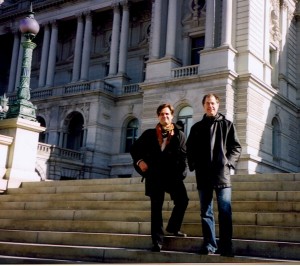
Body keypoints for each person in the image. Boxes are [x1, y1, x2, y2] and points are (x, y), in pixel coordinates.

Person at [186, 93, 242, 257]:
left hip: (222, 174)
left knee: (225, 212)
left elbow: (236, 147)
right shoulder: (196, 127)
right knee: (206, 212)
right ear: (203, 106)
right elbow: (190, 149)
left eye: (213, 103)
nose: (210, 106)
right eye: (207, 103)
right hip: (203, 175)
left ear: (218, 105)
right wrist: (194, 164)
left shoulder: (227, 125)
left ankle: (226, 246)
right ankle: (209, 244)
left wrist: (229, 162)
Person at [130, 103, 189, 252]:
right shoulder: (149, 134)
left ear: (172, 116)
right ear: (158, 116)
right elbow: (135, 149)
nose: (165, 116)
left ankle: (173, 227)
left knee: (183, 200)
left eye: (167, 114)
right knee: (156, 209)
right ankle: (157, 241)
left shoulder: (180, 135)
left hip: (172, 176)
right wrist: (140, 161)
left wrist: (181, 173)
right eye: (162, 114)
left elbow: (184, 157)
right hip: (154, 176)